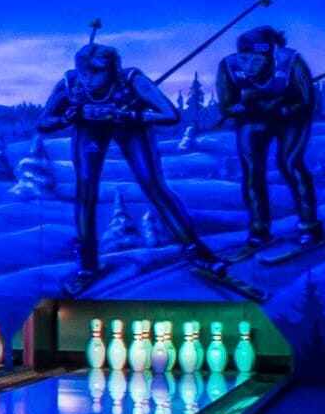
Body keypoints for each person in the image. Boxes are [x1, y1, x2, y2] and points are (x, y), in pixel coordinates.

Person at [36, 36, 218, 281]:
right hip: (90, 130)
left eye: (95, 74)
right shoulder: (71, 82)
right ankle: (88, 265)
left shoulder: (132, 79)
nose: (87, 80)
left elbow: (169, 114)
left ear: (111, 71)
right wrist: (71, 115)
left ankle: (195, 249)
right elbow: (44, 122)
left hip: (129, 127)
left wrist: (132, 114)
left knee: (153, 185)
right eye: (83, 73)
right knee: (86, 191)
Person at [213, 22, 325, 249]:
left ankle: (309, 225)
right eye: (245, 58)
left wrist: (281, 109)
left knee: (290, 164)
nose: (249, 65)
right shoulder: (229, 66)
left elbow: (305, 102)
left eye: (256, 60)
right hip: (253, 118)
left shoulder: (291, 62)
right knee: (253, 171)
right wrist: (245, 107)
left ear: (270, 57)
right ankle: (259, 229)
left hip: (291, 117)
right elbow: (227, 106)